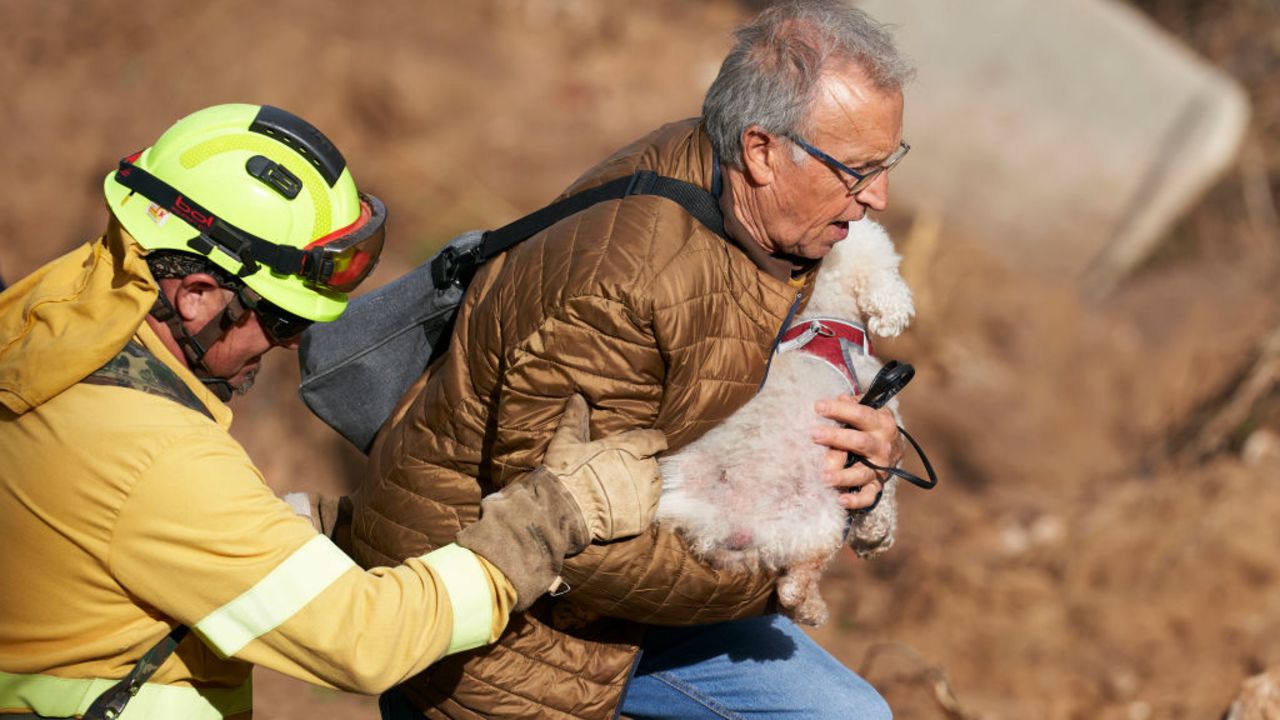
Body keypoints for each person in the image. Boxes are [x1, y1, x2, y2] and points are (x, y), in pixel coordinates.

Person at [0, 103, 668, 719]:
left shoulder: (45, 320)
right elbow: (365, 642)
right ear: (198, 293)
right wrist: (545, 524)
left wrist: (295, 534)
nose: (293, 340)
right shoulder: (156, 458)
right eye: (282, 314)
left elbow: (107, 531)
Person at [353, 1, 915, 718]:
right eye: (856, 170)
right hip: (518, 630)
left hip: (638, 588)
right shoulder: (618, 285)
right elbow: (563, 541)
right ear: (763, 151)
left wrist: (863, 450)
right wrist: (779, 560)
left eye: (889, 162)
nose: (878, 197)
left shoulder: (763, 212)